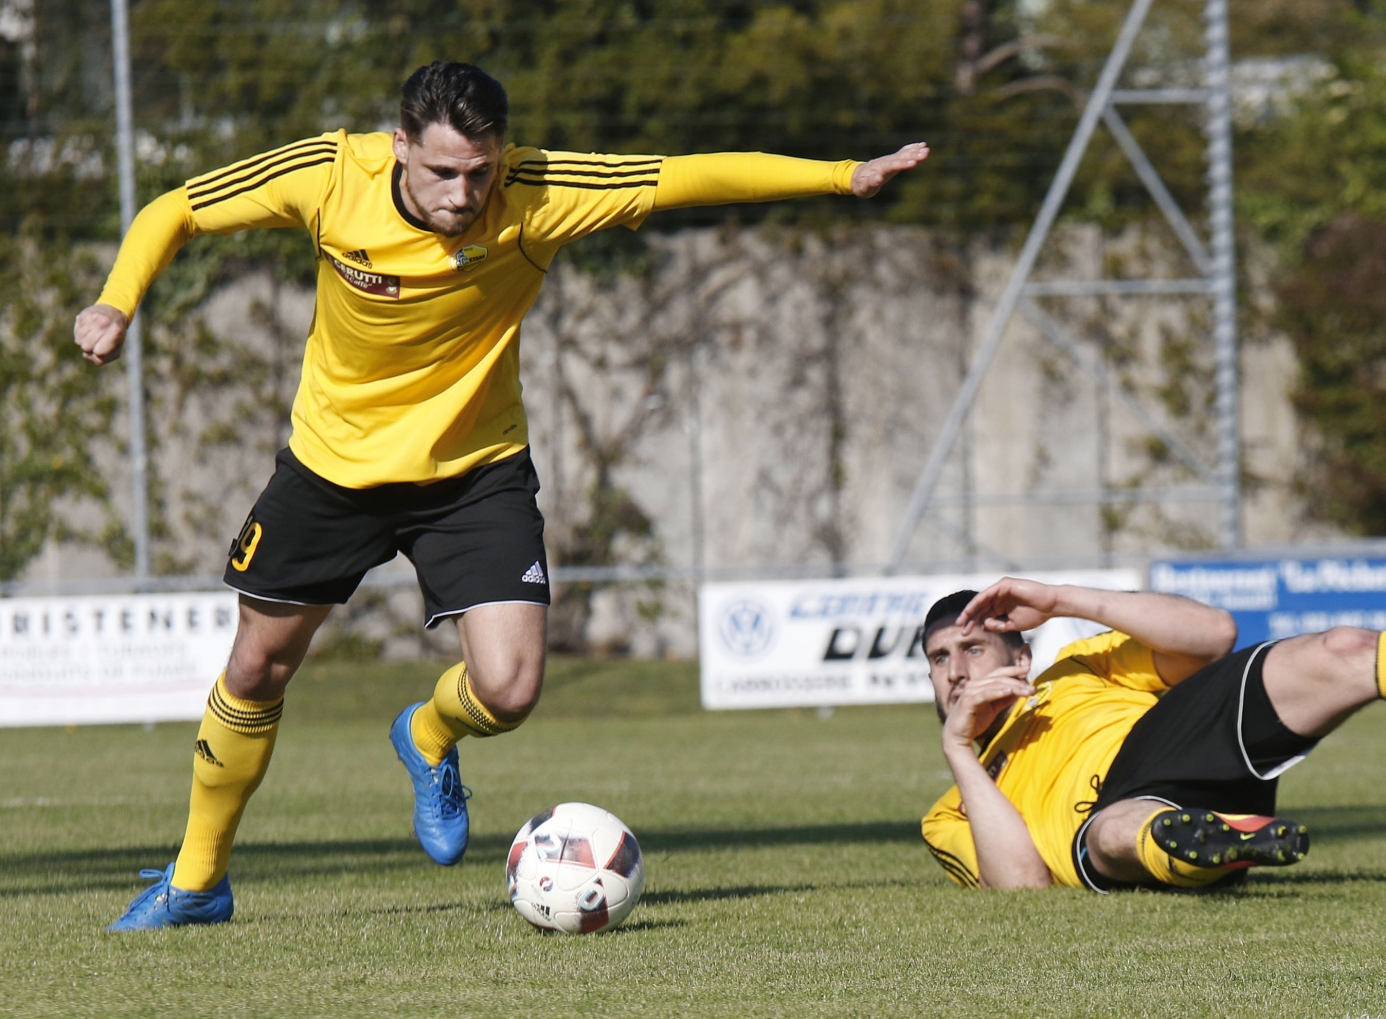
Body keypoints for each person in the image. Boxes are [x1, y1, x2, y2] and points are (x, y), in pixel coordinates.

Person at [78, 61, 929, 930]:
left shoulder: (539, 191)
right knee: (257, 668)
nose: (464, 193)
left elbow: (683, 175)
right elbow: (175, 208)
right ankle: (199, 879)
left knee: (511, 689)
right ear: (400, 145)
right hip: (333, 470)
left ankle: (429, 735)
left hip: (474, 474)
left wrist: (839, 176)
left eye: (480, 172)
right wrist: (117, 303)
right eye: (443, 171)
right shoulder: (332, 176)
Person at [920, 544, 1386, 892]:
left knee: (1346, 649)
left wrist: (1062, 600)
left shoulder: (1078, 670)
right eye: (938, 658)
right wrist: (962, 751)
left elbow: (1213, 634)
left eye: (974, 648)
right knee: (1122, 829)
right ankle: (1212, 843)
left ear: (1019, 658)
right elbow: (1020, 889)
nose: (956, 671)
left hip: (1170, 740)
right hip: (1112, 828)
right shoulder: (952, 807)